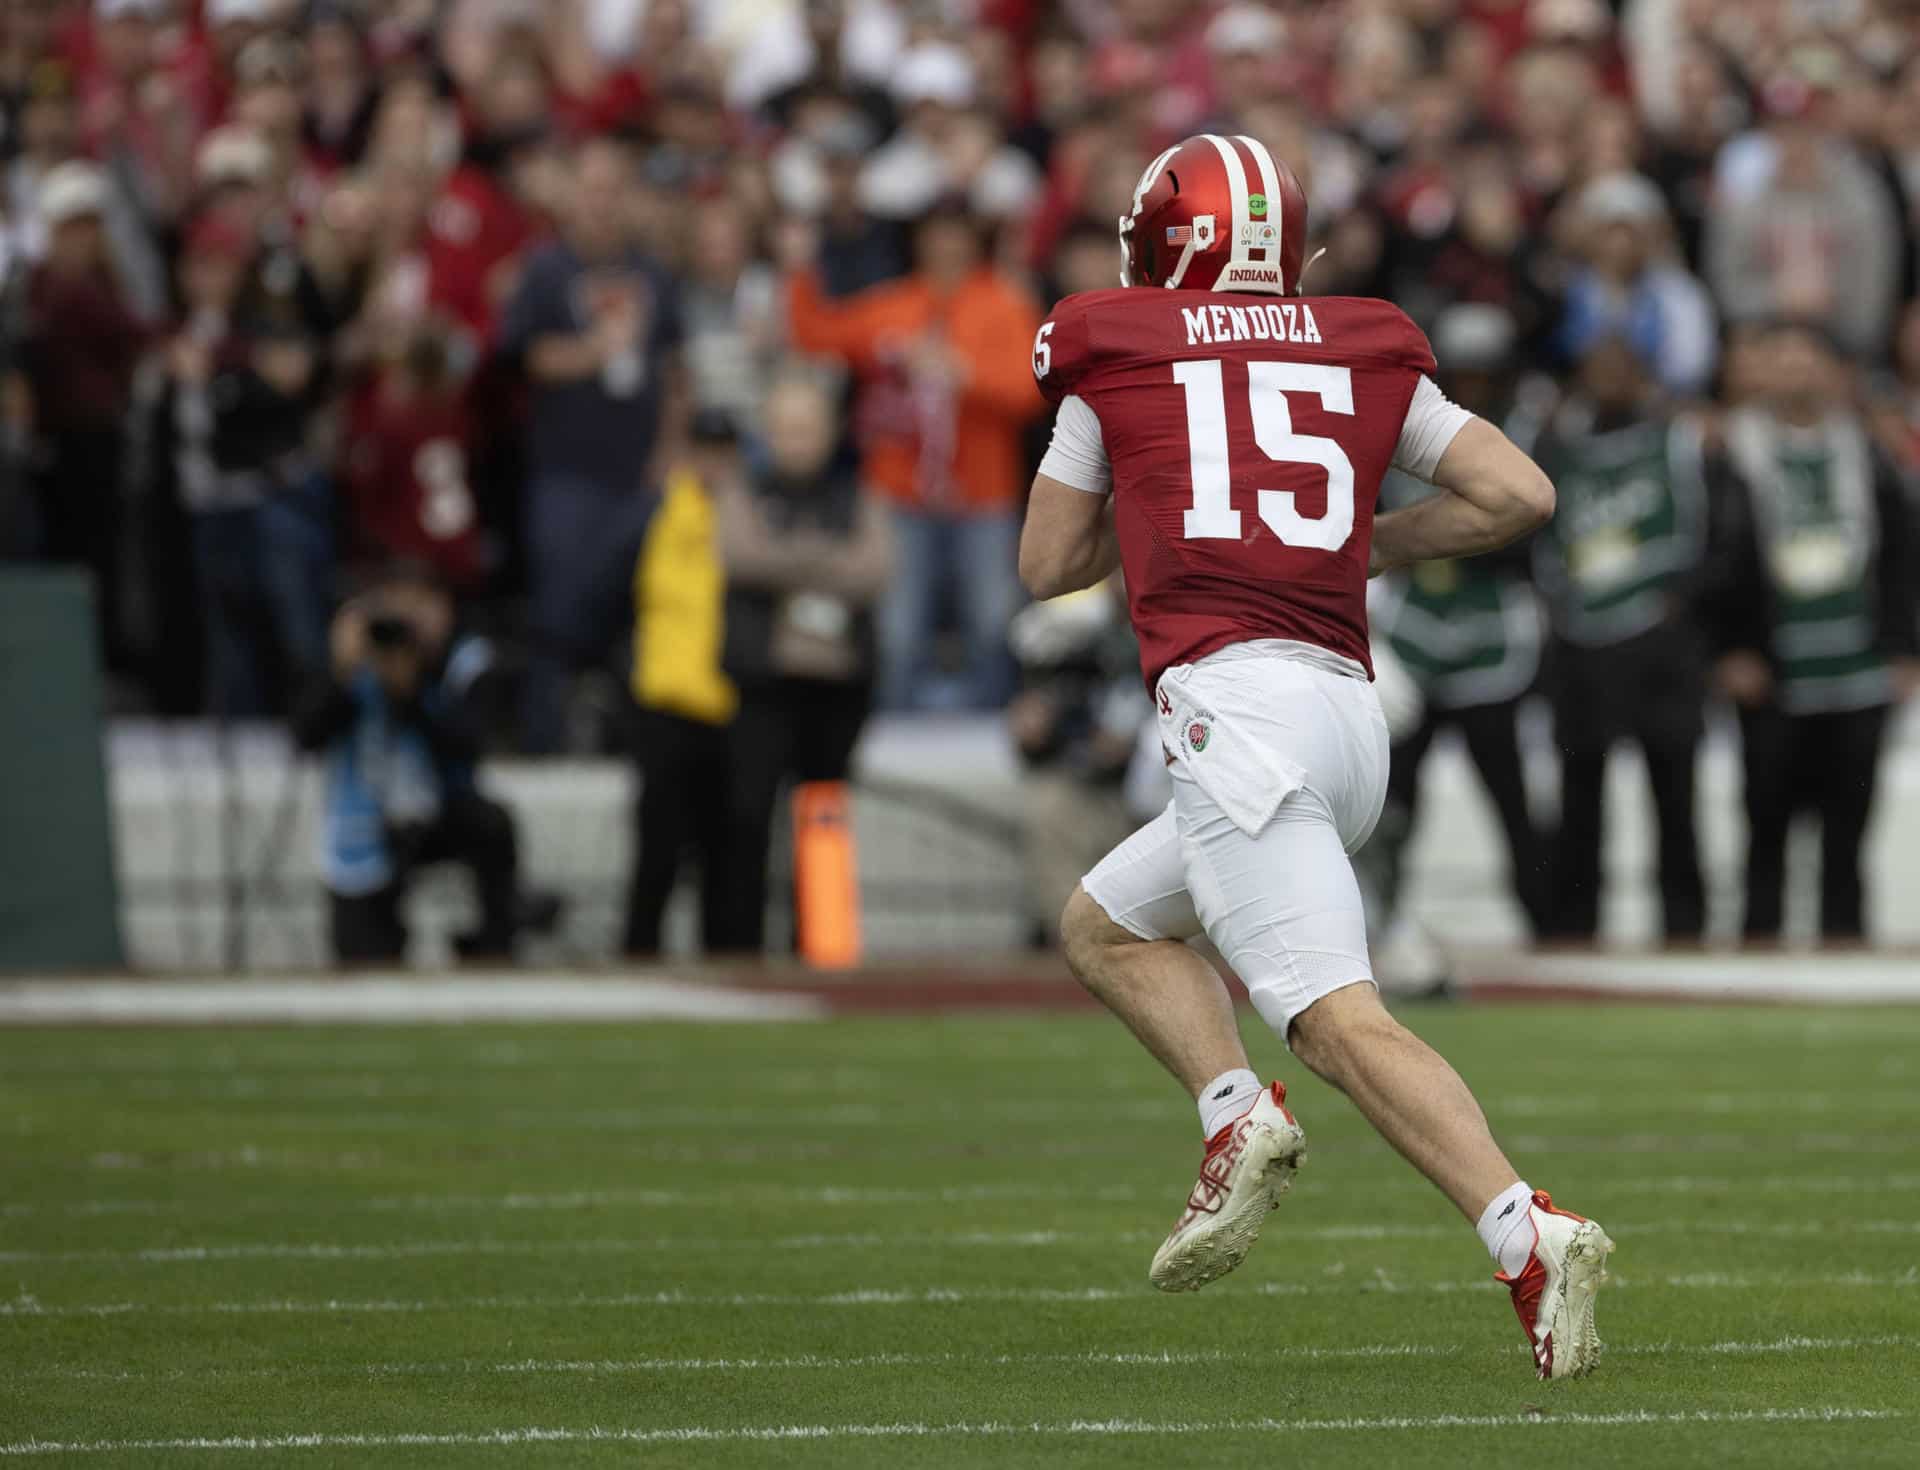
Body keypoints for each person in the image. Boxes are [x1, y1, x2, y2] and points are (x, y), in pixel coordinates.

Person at [1018, 135, 1608, 1380]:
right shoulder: (1361, 339)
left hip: (1234, 712)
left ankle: (1527, 1230)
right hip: (1345, 717)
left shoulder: (1107, 340)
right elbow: (1520, 495)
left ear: (1155, 244)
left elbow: (1048, 566)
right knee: (1107, 924)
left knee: (1335, 1020)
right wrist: (1356, 546)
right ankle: (1235, 1119)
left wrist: (1166, 499)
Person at [783, 197, 1042, 710]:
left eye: (956, 232)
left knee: (991, 624)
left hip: (982, 495)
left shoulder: (1007, 306)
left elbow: (1034, 391)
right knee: (898, 630)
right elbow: (815, 336)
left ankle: (991, 749)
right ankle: (892, 754)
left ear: (973, 240)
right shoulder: (892, 305)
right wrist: (798, 270)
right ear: (919, 240)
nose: (945, 244)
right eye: (935, 232)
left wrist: (965, 375)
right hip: (899, 495)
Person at [1708, 320, 1919, 944]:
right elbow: (1717, 558)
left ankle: (1844, 956)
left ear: (1835, 373)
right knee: (1765, 835)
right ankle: (1755, 970)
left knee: (1848, 839)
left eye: (1810, 360)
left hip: (1859, 673)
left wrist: (1906, 649)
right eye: (1784, 359)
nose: (1797, 372)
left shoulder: (1869, 452)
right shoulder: (1729, 453)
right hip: (1773, 676)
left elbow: (1903, 555)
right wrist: (1729, 651)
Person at [1363, 305, 1551, 945]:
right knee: (1392, 805)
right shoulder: (1399, 427)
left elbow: (1535, 531)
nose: (1471, 387)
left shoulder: (1522, 433)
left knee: (1512, 802)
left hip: (1491, 640)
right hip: (1413, 637)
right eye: (1461, 375)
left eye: (1483, 375)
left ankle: (1545, 924)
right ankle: (1378, 925)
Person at [498, 135, 685, 752]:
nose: (603, 203)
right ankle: (544, 738)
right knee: (558, 604)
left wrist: (670, 451)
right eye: (593, 189)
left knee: (638, 608)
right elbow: (526, 356)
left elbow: (674, 372)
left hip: (639, 471)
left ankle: (633, 741)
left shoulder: (654, 273)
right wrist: (596, 350)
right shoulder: (547, 269)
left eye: (614, 190)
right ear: (572, 195)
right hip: (567, 471)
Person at [1531, 334, 1716, 942]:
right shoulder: (1554, 447)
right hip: (1579, 646)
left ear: (1642, 377)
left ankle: (1685, 931)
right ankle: (1573, 931)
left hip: (1663, 643)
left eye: (1621, 368)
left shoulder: (1680, 442)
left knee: (1675, 797)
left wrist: (1682, 600)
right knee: (1580, 801)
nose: (1608, 380)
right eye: (1597, 368)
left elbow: (1714, 534)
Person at [293, 566, 558, 965]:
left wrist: (411, 693)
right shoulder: (357, 664)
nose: (410, 621)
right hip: (370, 824)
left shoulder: (464, 659)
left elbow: (469, 743)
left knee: (491, 824)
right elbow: (306, 736)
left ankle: (495, 947)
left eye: (422, 605)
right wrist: (342, 674)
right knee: (364, 960)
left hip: (440, 809)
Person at [716, 368, 892, 950]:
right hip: (762, 683)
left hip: (839, 686)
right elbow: (740, 555)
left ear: (831, 431)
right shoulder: (744, 491)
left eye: (808, 428)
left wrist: (787, 563)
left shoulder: (858, 494)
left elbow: (875, 568)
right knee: (746, 817)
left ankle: (819, 946)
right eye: (786, 429)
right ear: (766, 432)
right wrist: (825, 563)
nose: (797, 441)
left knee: (822, 819)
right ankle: (736, 950)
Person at [623, 410, 740, 958]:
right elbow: (600, 590)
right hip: (665, 704)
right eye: (706, 452)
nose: (714, 465)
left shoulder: (748, 516)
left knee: (726, 859)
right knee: (657, 857)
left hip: (730, 707)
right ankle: (637, 964)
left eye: (723, 453)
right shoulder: (654, 510)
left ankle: (731, 972)